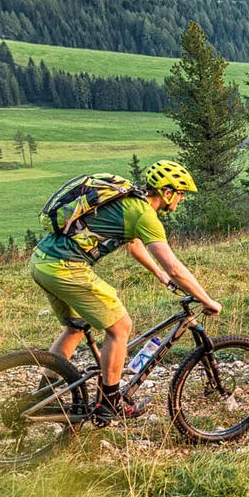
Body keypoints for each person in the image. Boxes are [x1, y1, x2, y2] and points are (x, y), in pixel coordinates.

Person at [32, 160, 223, 419]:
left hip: (41, 262)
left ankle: (44, 395)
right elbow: (176, 267)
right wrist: (207, 300)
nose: (182, 199)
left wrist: (159, 274)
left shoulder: (130, 200)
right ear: (167, 193)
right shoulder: (145, 215)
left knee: (75, 327)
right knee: (121, 327)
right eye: (180, 193)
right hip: (65, 269)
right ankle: (111, 403)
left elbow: (134, 246)